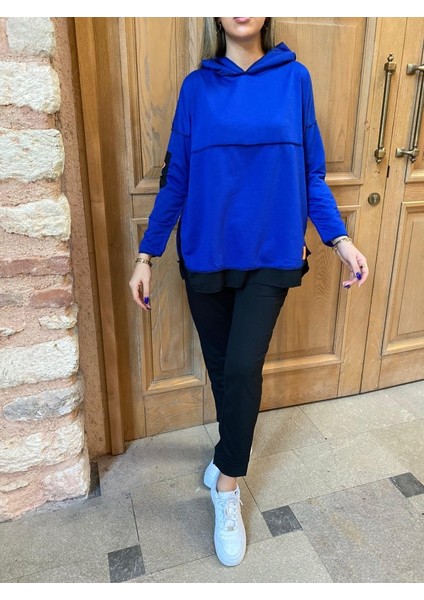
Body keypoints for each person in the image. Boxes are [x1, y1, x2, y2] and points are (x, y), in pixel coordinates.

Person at [129, 17, 369, 567]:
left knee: (241, 368)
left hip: (272, 252)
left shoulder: (295, 79)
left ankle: (227, 486)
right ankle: (227, 452)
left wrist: (339, 239)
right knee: (222, 371)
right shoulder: (197, 87)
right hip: (205, 252)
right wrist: (146, 255)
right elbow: (176, 177)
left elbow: (311, 174)